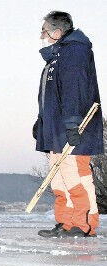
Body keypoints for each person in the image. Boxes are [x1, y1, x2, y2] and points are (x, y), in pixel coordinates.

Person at [34, 11, 103, 238]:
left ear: (57, 31)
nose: (42, 36)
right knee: (59, 178)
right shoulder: (58, 55)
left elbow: (75, 89)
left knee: (76, 175)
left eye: (45, 31)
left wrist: (73, 124)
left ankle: (84, 223)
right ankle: (66, 221)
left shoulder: (75, 52)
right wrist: (41, 122)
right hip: (56, 129)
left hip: (73, 128)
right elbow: (51, 95)